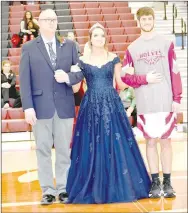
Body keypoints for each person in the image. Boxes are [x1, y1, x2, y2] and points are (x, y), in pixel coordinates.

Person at [66, 23, 163, 204]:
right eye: (96, 35)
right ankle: (93, 187)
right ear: (90, 38)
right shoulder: (82, 60)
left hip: (111, 104)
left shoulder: (113, 58)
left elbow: (121, 82)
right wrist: (70, 74)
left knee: (114, 143)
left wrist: (139, 77)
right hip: (91, 106)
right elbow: (75, 88)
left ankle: (119, 185)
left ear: (105, 38)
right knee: (92, 144)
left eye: (102, 35)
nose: (99, 38)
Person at [19, 9, 84, 205]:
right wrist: (27, 107)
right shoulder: (29, 48)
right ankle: (47, 189)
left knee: (64, 150)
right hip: (40, 108)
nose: (51, 22)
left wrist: (68, 78)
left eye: (54, 19)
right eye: (47, 19)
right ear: (39, 22)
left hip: (64, 106)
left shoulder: (69, 45)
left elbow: (80, 72)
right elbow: (25, 80)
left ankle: (63, 188)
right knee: (43, 150)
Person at [121, 7, 182, 198]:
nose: (146, 22)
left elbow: (175, 72)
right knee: (150, 143)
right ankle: (155, 182)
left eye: (149, 18)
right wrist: (145, 78)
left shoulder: (166, 43)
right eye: (143, 19)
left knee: (166, 142)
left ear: (153, 20)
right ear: (138, 22)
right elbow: (126, 79)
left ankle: (168, 182)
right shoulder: (132, 49)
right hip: (145, 103)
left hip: (165, 101)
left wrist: (177, 98)